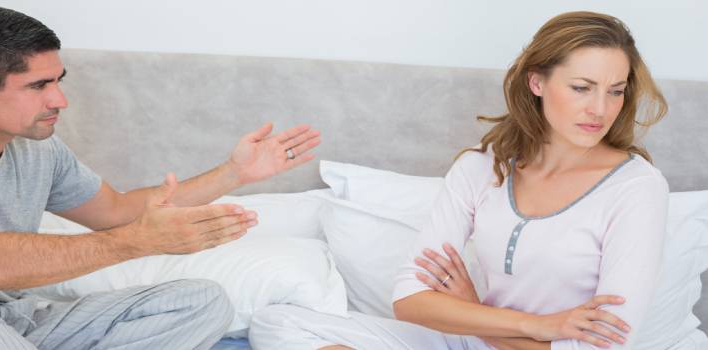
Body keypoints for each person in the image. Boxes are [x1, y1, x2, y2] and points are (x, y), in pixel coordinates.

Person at [0, 7, 320, 350]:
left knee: (202, 300)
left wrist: (234, 172)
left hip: (11, 321)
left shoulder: (37, 146)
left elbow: (117, 211)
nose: (60, 100)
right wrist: (139, 240)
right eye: (39, 85)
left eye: (58, 81)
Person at [249, 11, 670, 350]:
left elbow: (604, 345)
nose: (600, 108)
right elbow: (411, 301)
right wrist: (537, 325)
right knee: (279, 323)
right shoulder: (482, 167)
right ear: (537, 82)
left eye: (616, 91)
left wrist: (471, 310)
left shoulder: (636, 187)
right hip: (480, 339)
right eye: (582, 87)